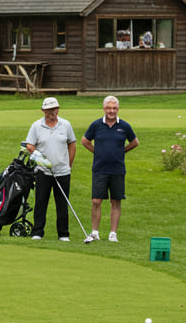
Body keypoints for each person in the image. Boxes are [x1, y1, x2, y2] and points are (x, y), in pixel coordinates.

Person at [82, 95, 139, 243]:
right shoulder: (96, 125)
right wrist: (97, 151)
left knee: (115, 201)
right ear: (104, 108)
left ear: (118, 109)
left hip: (117, 169)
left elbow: (135, 142)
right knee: (96, 201)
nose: (111, 111)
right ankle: (95, 232)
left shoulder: (124, 126)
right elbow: (85, 141)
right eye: (108, 108)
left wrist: (122, 151)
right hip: (100, 169)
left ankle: (113, 233)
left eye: (114, 108)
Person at [24, 96, 77, 241]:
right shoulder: (36, 126)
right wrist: (36, 155)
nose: (51, 112)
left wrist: (69, 164)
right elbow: (30, 145)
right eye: (48, 110)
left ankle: (63, 234)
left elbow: (72, 144)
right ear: (43, 110)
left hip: (63, 171)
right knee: (41, 202)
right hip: (43, 172)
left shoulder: (66, 125)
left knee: (62, 204)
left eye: (53, 109)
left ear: (58, 109)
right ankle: (37, 232)